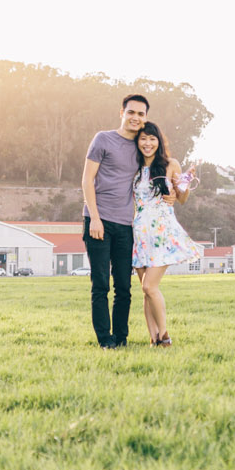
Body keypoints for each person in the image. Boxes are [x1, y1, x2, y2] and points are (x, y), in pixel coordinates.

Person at [81, 93, 151, 347]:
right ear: (121, 113)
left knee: (124, 287)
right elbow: (87, 180)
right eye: (131, 112)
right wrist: (95, 219)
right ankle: (104, 339)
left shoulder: (142, 147)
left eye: (141, 114)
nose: (135, 117)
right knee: (101, 284)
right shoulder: (103, 139)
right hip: (98, 221)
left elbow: (160, 173)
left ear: (146, 118)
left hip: (126, 225)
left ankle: (120, 338)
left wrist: (177, 190)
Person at [131, 121, 202, 347]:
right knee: (146, 291)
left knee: (149, 286)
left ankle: (164, 336)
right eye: (143, 138)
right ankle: (152, 339)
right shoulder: (133, 166)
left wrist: (186, 182)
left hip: (162, 231)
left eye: (152, 139)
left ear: (159, 141)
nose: (148, 143)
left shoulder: (171, 164)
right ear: (137, 141)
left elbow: (181, 198)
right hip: (140, 232)